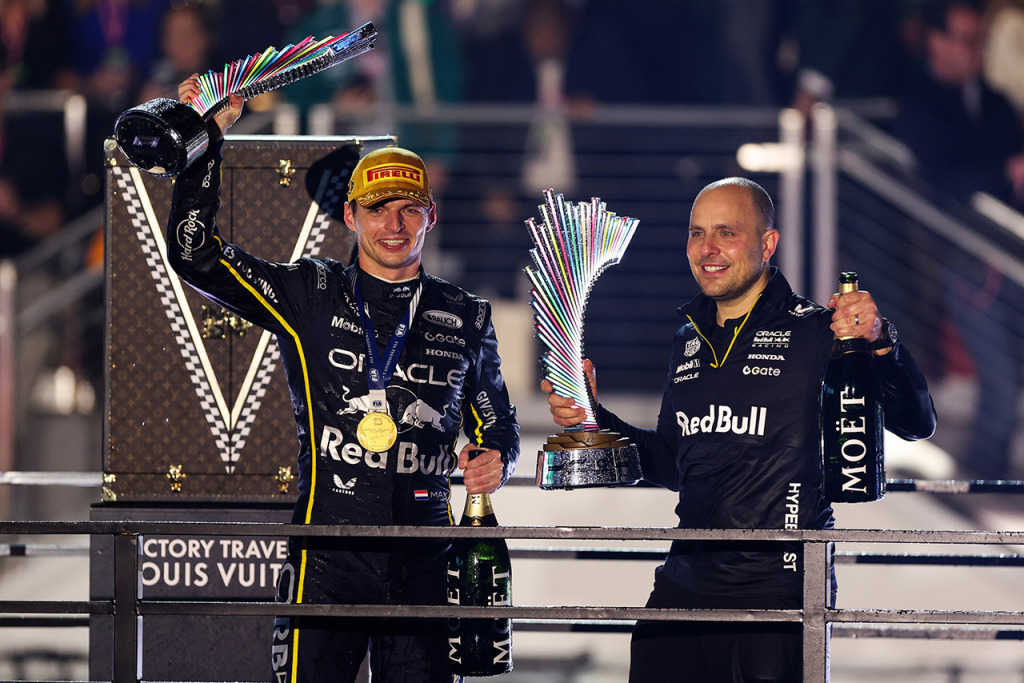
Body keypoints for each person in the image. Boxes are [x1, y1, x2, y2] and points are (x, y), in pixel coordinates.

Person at [169, 77, 520, 682]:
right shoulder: (311, 291)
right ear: (352, 217)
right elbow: (194, 256)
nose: (394, 224)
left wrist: (498, 460)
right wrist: (205, 143)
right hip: (325, 559)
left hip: (426, 562)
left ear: (431, 216)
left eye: (409, 208)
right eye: (378, 209)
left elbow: (499, 427)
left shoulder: (466, 314)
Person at [543, 177, 936, 682]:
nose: (707, 249)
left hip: (781, 595)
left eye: (726, 232)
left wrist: (881, 341)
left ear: (767, 244)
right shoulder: (687, 338)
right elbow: (672, 464)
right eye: (697, 233)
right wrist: (594, 417)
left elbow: (917, 423)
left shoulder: (820, 331)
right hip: (684, 586)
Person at [893, 0, 1024, 480]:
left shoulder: (995, 101)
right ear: (937, 42)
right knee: (1001, 381)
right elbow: (941, 181)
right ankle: (982, 482)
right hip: (967, 261)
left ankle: (988, 479)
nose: (975, 50)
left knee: (1009, 380)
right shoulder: (919, 102)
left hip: (1009, 255)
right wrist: (1005, 172)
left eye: (979, 40)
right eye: (967, 40)